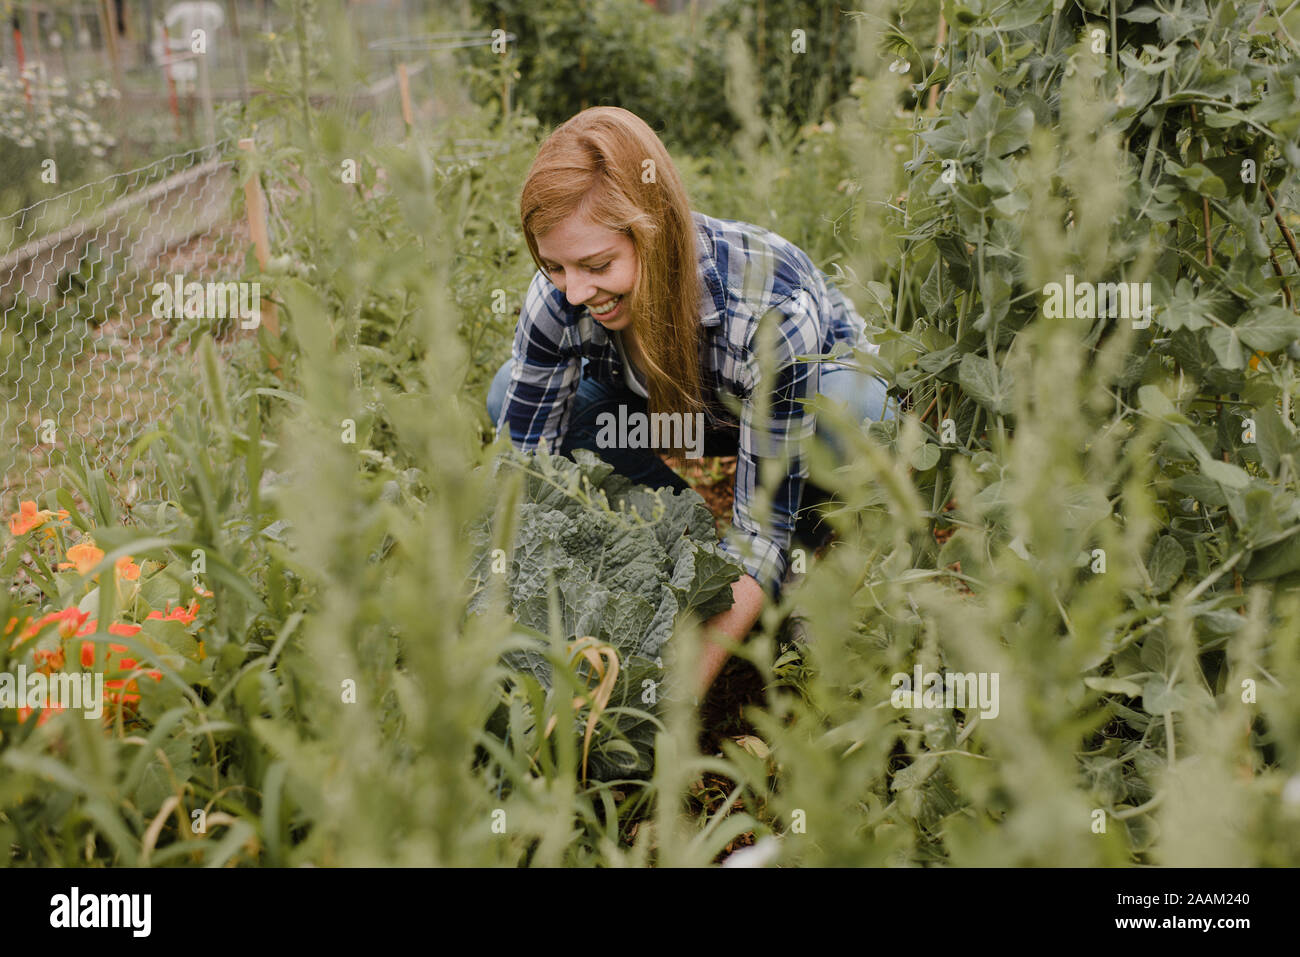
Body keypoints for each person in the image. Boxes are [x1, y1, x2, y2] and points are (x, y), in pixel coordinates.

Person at [487, 106, 895, 696]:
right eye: (554, 266)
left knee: (857, 415)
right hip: (682, 415)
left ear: (654, 229)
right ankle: (679, 528)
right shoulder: (563, 296)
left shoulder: (768, 307)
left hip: (798, 411)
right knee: (509, 395)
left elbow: (760, 534)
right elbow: (524, 476)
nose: (575, 291)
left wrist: (674, 695)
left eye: (598, 265)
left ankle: (812, 550)